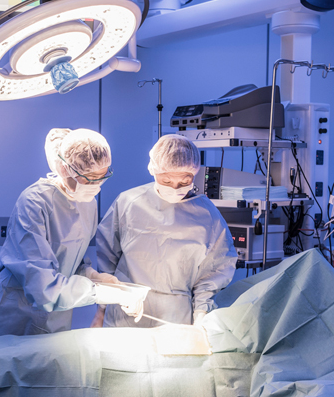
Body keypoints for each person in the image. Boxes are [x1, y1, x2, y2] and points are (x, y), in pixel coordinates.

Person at [0, 128, 144, 339]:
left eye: (102, 177)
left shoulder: (88, 204)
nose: (96, 186)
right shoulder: (34, 202)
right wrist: (101, 293)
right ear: (65, 169)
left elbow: (71, 261)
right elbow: (42, 287)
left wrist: (93, 276)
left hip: (58, 313)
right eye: (89, 178)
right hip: (16, 313)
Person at [94, 134, 237, 327]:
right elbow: (107, 261)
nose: (175, 188)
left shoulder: (207, 216)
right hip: (125, 313)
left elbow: (213, 273)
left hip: (175, 317)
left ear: (194, 174)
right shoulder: (129, 203)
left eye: (184, 181)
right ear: (153, 170)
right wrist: (101, 310)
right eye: (167, 181)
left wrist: (202, 315)